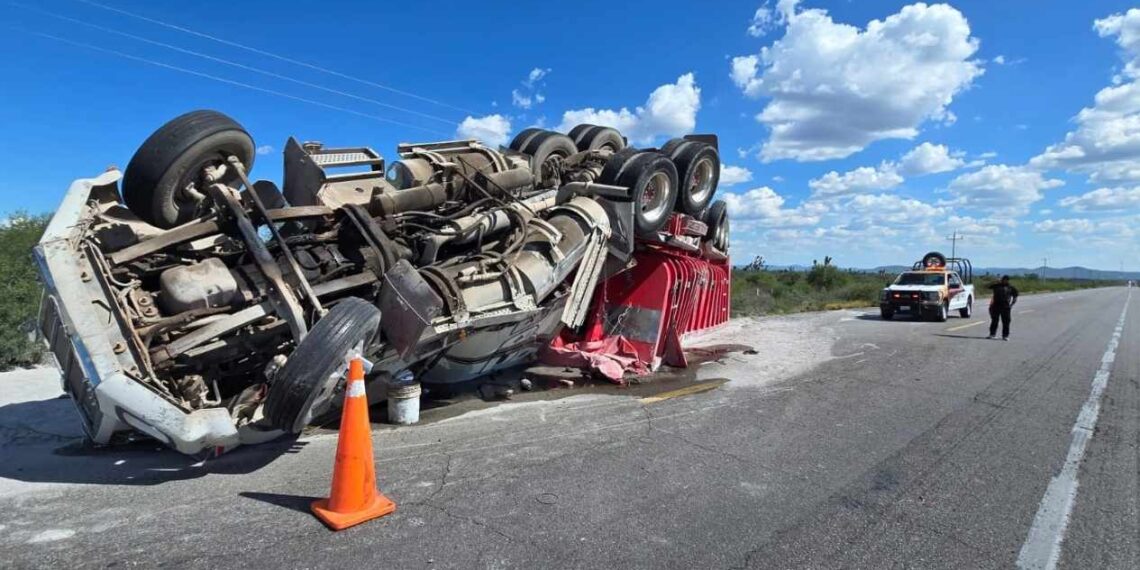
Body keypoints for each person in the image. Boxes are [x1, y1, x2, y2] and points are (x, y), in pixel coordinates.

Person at [987, 275, 1019, 340]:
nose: (1005, 281)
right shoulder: (996, 286)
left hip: (1006, 307)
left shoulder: (1011, 288)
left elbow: (1015, 296)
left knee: (1006, 322)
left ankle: (1005, 336)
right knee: (994, 320)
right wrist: (995, 281)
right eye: (1004, 279)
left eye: (1006, 280)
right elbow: (987, 286)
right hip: (996, 306)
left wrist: (1011, 304)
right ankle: (992, 334)